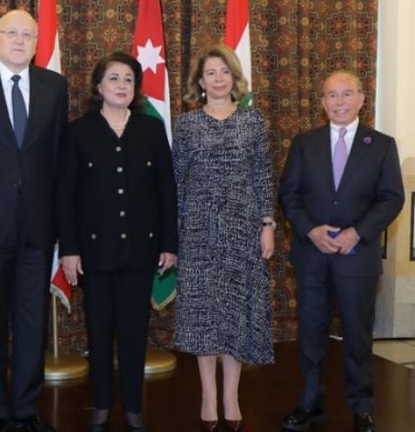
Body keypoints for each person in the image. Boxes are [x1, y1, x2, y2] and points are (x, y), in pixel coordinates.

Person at [0, 9, 68, 432]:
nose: (20, 40)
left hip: (37, 226)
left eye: (28, 35)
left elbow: (56, 158)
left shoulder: (54, 86)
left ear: (37, 44)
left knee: (31, 321)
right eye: (12, 33)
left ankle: (25, 406)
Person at [56, 51, 177, 432]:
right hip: (95, 252)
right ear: (98, 86)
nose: (121, 85)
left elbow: (166, 190)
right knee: (99, 330)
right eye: (114, 78)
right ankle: (102, 404)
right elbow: (65, 196)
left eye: (128, 79)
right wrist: (69, 249)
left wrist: (170, 243)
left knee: (134, 331)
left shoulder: (151, 129)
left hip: (142, 249)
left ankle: (134, 406)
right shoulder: (78, 132)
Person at [278, 70, 404, 432]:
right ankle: (309, 404)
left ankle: (362, 407)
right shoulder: (305, 143)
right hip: (312, 254)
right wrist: (310, 230)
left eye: (347, 94)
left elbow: (392, 197)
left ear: (362, 99)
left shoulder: (381, 145)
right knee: (311, 334)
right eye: (331, 95)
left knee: (357, 335)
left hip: (357, 257)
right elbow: (289, 194)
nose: (339, 101)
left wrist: (357, 233)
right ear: (322, 102)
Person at [172, 43, 275, 432]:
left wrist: (268, 224)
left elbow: (263, 174)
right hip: (197, 230)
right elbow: (176, 180)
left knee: (235, 311)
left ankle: (231, 396)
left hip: (243, 228)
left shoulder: (253, 121)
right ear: (200, 81)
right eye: (210, 73)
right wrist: (173, 234)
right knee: (203, 314)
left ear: (234, 78)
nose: (218, 79)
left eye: (224, 72)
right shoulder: (187, 125)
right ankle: (208, 395)